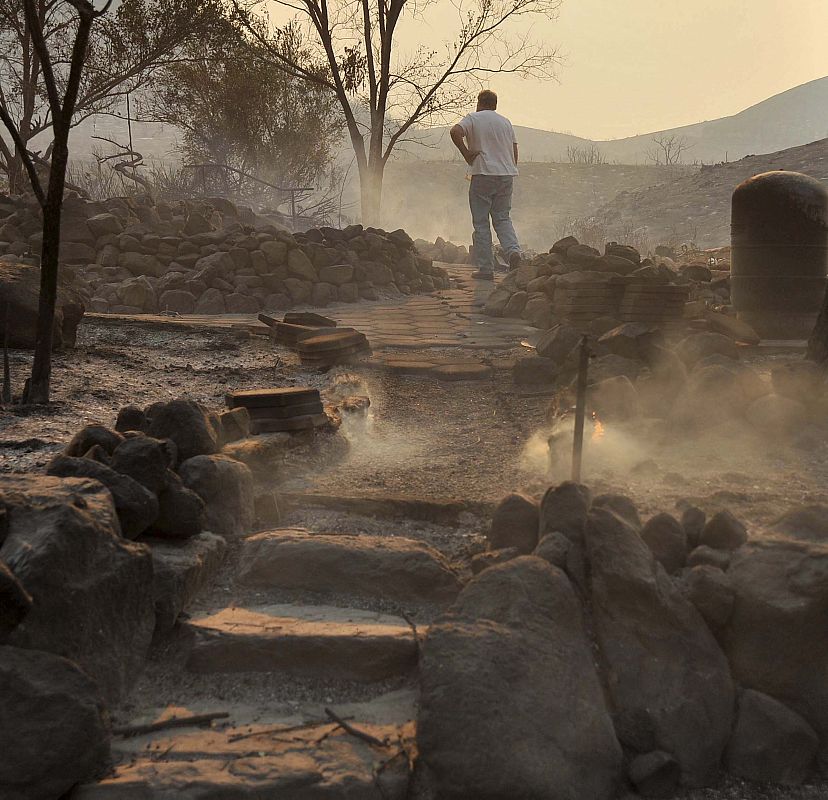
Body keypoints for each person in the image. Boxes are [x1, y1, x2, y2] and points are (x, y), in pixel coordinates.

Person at [450, 89, 521, 280]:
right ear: (495, 105)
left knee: (481, 222)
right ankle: (514, 253)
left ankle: (485, 269)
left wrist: (466, 154)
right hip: (506, 175)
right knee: (503, 218)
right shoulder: (505, 122)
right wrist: (508, 166)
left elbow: (455, 131)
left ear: (479, 103)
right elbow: (514, 149)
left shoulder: (473, 118)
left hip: (483, 174)